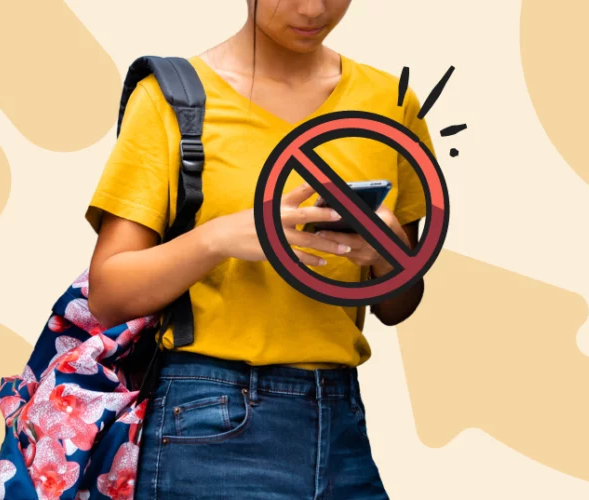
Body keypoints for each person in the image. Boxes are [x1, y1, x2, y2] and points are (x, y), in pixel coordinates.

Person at [85, 1, 435, 498]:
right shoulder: (173, 98)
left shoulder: (390, 104)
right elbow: (109, 293)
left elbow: (398, 305)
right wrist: (219, 238)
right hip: (211, 419)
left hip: (342, 422)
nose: (313, 8)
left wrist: (389, 251)